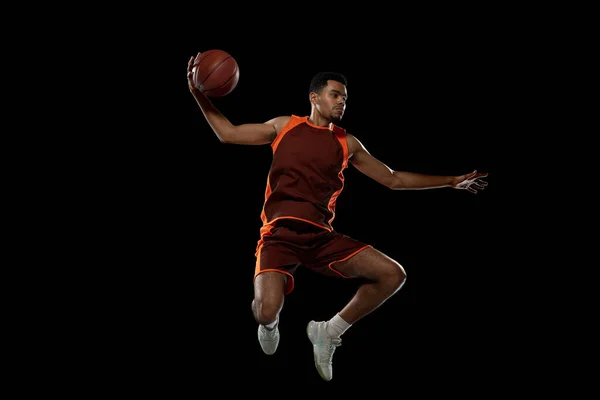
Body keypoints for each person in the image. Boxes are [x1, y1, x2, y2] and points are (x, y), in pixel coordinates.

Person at [186, 53, 488, 381]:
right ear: (314, 98)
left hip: (320, 237)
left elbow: (394, 179)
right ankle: (270, 324)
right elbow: (227, 133)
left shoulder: (348, 143)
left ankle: (328, 331)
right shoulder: (283, 126)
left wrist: (450, 181)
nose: (342, 101)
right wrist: (198, 93)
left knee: (393, 275)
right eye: (335, 95)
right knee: (265, 311)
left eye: (345, 97)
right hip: (279, 234)